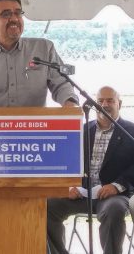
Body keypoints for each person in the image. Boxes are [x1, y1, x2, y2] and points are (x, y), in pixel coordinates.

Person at [47, 86, 134, 254]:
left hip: (114, 196)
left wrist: (116, 186)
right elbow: (65, 161)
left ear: (120, 104)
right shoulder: (82, 130)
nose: (104, 104)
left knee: (113, 210)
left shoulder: (130, 131)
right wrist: (68, 186)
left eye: (110, 100)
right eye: (100, 101)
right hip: (81, 194)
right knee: (47, 206)